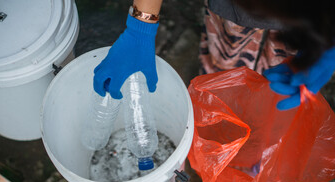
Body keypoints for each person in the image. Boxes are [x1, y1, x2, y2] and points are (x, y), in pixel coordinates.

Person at [93, 0, 335, 110]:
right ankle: (219, 103)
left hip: (312, 23)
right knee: (224, 57)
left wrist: (329, 46)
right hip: (231, 13)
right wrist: (140, 27)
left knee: (277, 83)